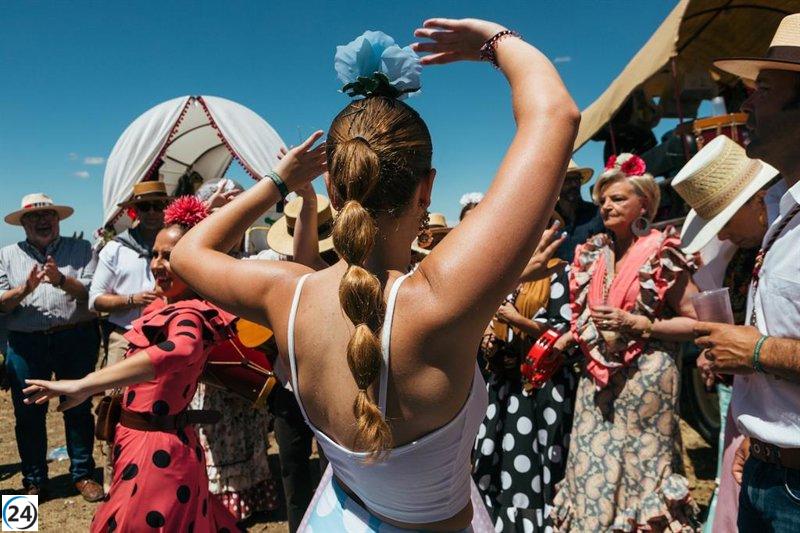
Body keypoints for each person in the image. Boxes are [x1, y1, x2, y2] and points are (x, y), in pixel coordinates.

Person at [170, 18, 579, 532]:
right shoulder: (443, 297)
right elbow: (554, 116)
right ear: (426, 190)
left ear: (335, 194)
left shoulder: (286, 294)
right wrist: (496, 40)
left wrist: (279, 181)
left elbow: (188, 253)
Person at [22, 195, 241, 531]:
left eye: (170, 257)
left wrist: (84, 383)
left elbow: (179, 349)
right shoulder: (162, 304)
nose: (157, 264)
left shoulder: (189, 313)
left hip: (158, 450)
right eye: (155, 254)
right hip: (137, 439)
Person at [551, 154, 701, 531]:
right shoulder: (594, 253)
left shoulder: (661, 251)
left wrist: (638, 324)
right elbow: (589, 315)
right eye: (602, 200)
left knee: (641, 477)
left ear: (644, 204)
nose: (606, 206)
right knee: (590, 471)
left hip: (646, 384)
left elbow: (697, 324)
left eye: (617, 199)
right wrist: (569, 336)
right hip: (596, 383)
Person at [696, 13, 800, 531]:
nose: (746, 104)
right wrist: (760, 444)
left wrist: (755, 351)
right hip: (769, 472)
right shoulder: (784, 210)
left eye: (764, 89)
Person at [670, 134, 779, 533]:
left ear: (757, 199)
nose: (721, 235)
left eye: (726, 221)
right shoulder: (737, 255)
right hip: (750, 405)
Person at [0, 193, 103, 502]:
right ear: (23, 224)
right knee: (29, 412)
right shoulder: (6, 255)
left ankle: (83, 475)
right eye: (34, 217)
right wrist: (25, 289)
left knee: (79, 404)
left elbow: (92, 294)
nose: (42, 221)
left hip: (76, 337)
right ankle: (34, 480)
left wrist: (60, 280)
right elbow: (1, 304)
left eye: (49, 215)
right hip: (26, 343)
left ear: (58, 220)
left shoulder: (82, 249)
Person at [474, 222, 575, 532]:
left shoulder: (561, 273)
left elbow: (565, 330)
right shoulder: (511, 274)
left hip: (543, 387)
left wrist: (517, 320)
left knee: (540, 463)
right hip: (507, 383)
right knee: (502, 461)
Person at [90, 180, 170, 491]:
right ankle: (115, 478)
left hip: (166, 336)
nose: (153, 212)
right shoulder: (116, 248)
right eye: (146, 206)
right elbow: (95, 300)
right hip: (125, 336)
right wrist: (132, 300)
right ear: (134, 210)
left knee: (163, 408)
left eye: (158, 205)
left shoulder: (175, 243)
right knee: (118, 407)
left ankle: (154, 477)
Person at [554, 160, 604, 263]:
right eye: (567, 179)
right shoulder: (546, 220)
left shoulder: (597, 213)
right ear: (557, 183)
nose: (573, 184)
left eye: (577, 179)